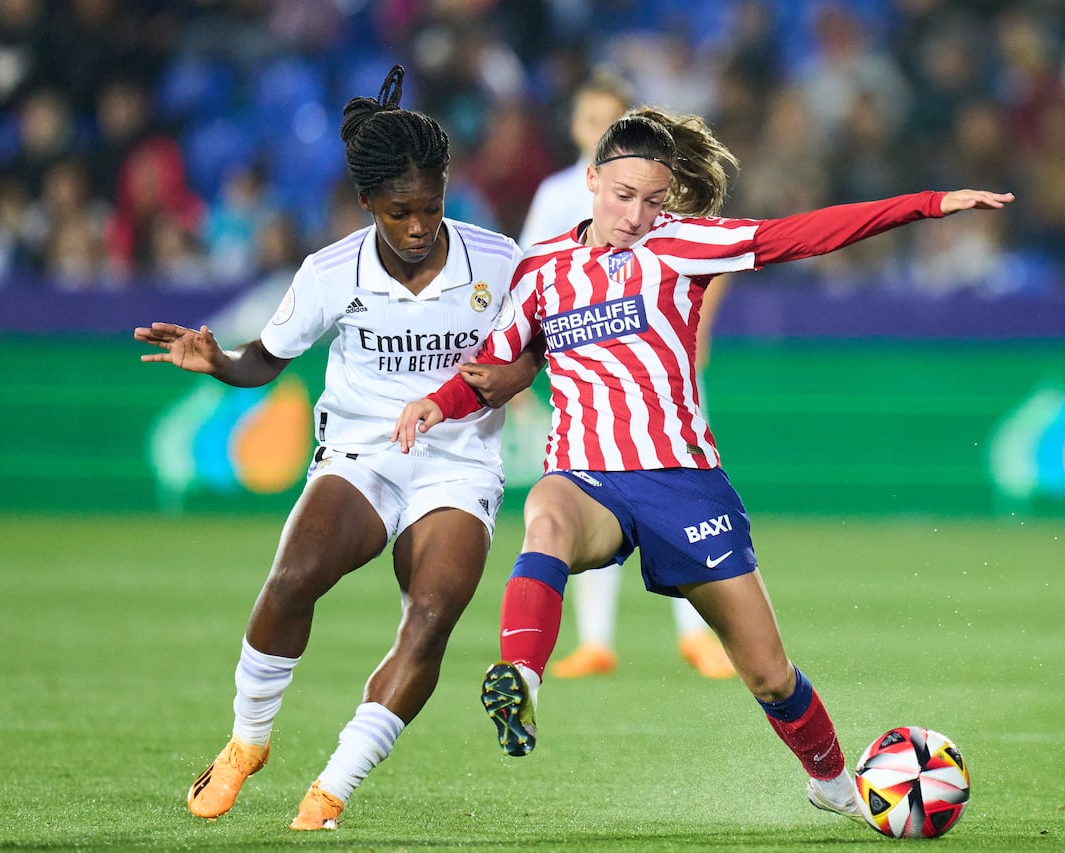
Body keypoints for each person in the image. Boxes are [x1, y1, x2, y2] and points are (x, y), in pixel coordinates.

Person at [393, 106, 1012, 821]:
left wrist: (928, 205)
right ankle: (522, 678)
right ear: (591, 180)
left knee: (769, 672)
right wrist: (438, 401)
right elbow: (498, 362)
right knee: (545, 515)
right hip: (588, 476)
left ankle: (833, 781)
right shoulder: (540, 272)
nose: (635, 214)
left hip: (683, 484)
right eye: (622, 196)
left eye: (652, 200)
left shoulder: (684, 245)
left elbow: (803, 235)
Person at [134, 65, 529, 831]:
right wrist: (219, 361)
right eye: (400, 212)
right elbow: (264, 360)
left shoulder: (498, 260)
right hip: (360, 452)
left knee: (433, 612)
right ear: (367, 204)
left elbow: (533, 350)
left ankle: (333, 786)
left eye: (431, 208)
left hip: (459, 460)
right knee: (293, 577)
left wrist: (507, 377)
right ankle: (248, 742)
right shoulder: (329, 273)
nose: (418, 227)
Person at [519, 69, 735, 680]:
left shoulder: (647, 188)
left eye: (606, 119)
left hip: (660, 374)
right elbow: (528, 283)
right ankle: (595, 640)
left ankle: (701, 634)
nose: (596, 130)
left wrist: (697, 336)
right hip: (586, 379)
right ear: (575, 126)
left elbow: (710, 260)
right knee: (589, 495)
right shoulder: (558, 194)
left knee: (682, 493)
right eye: (589, 119)